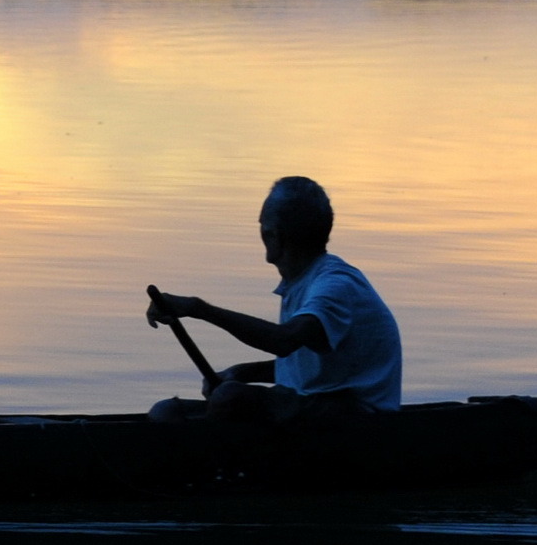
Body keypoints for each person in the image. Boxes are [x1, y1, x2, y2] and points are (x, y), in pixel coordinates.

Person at [146, 175, 401, 419]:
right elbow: (302, 366)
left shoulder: (334, 285)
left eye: (263, 228)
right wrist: (241, 372)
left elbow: (284, 341)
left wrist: (197, 308)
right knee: (167, 412)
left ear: (274, 236)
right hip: (317, 406)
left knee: (230, 398)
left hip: (356, 418)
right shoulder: (302, 281)